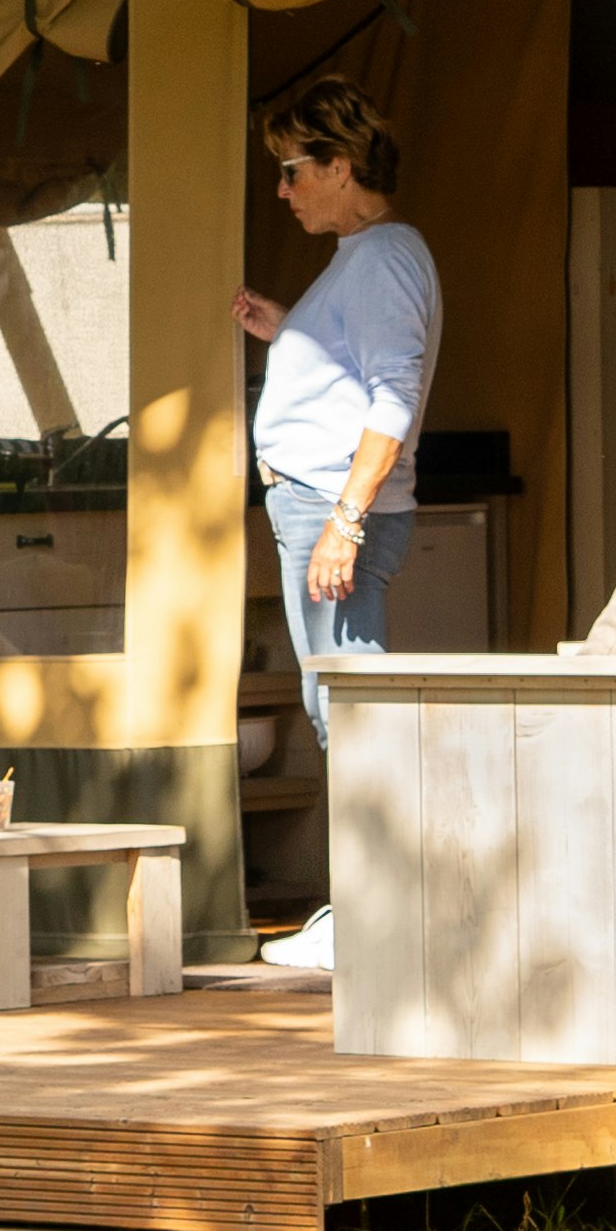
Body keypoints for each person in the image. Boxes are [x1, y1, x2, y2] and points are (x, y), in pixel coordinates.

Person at [232, 71, 437, 974]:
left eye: (290, 170)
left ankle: (378, 915)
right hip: (316, 505)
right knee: (338, 707)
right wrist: (293, 333)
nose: (281, 191)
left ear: (339, 165)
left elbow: (393, 397)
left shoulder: (385, 257)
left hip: (332, 509)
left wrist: (345, 522)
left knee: (351, 709)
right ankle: (364, 910)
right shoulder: (363, 260)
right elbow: (358, 368)